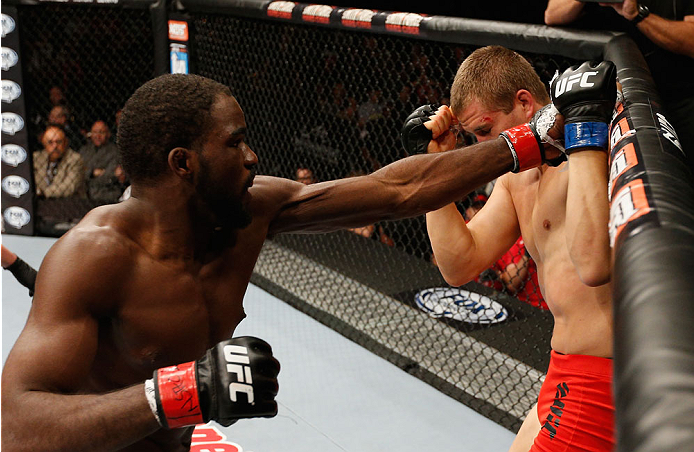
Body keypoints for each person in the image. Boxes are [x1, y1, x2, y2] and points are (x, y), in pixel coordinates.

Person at [1, 71, 595, 451]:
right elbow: (16, 425)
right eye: (234, 143)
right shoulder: (95, 256)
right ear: (184, 164)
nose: (254, 157)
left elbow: (394, 192)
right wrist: (177, 393)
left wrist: (522, 144)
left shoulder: (249, 209)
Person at [422, 46, 615, 450]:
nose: (481, 149)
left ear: (525, 103)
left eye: (485, 132)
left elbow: (593, 263)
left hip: (604, 375)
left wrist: (582, 140)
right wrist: (435, 167)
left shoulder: (596, 151)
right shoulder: (517, 178)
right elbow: (459, 265)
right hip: (562, 368)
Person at [545, 0, 694, 171]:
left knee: (678, 173)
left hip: (678, 100)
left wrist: (638, 14)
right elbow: (551, 14)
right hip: (605, 102)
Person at [463, 192, 547, 310]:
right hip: (474, 288)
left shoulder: (509, 235)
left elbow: (511, 281)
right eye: (476, 207)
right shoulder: (465, 228)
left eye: (482, 207)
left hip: (541, 304)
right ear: (468, 211)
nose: (479, 211)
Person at [80, 120, 127, 202]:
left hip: (107, 194)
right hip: (85, 195)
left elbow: (111, 176)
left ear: (108, 134)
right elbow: (79, 172)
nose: (98, 136)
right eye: (95, 132)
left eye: (101, 132)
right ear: (90, 134)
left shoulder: (115, 151)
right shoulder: (84, 150)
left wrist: (88, 174)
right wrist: (93, 172)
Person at [33, 125, 86, 198]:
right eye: (50, 142)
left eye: (58, 142)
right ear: (44, 144)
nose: (55, 146)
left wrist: (42, 193)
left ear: (65, 143)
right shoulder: (36, 158)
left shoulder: (75, 159)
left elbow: (69, 188)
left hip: (69, 203)